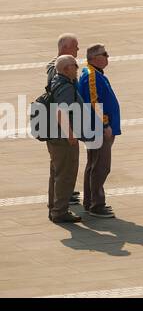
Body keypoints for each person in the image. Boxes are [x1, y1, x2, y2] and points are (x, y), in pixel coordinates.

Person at [76, 44, 120, 218]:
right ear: (94, 58)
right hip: (98, 130)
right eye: (105, 54)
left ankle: (90, 202)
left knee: (94, 165)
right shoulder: (92, 75)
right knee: (101, 167)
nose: (108, 57)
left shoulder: (95, 73)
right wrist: (105, 125)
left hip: (97, 128)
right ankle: (96, 204)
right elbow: (94, 103)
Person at [45, 55, 84, 225]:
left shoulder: (56, 81)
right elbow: (61, 111)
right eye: (75, 65)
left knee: (56, 172)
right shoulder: (66, 86)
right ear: (67, 68)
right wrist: (70, 135)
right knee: (66, 175)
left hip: (54, 136)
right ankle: (60, 212)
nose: (77, 68)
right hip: (63, 138)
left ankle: (54, 207)